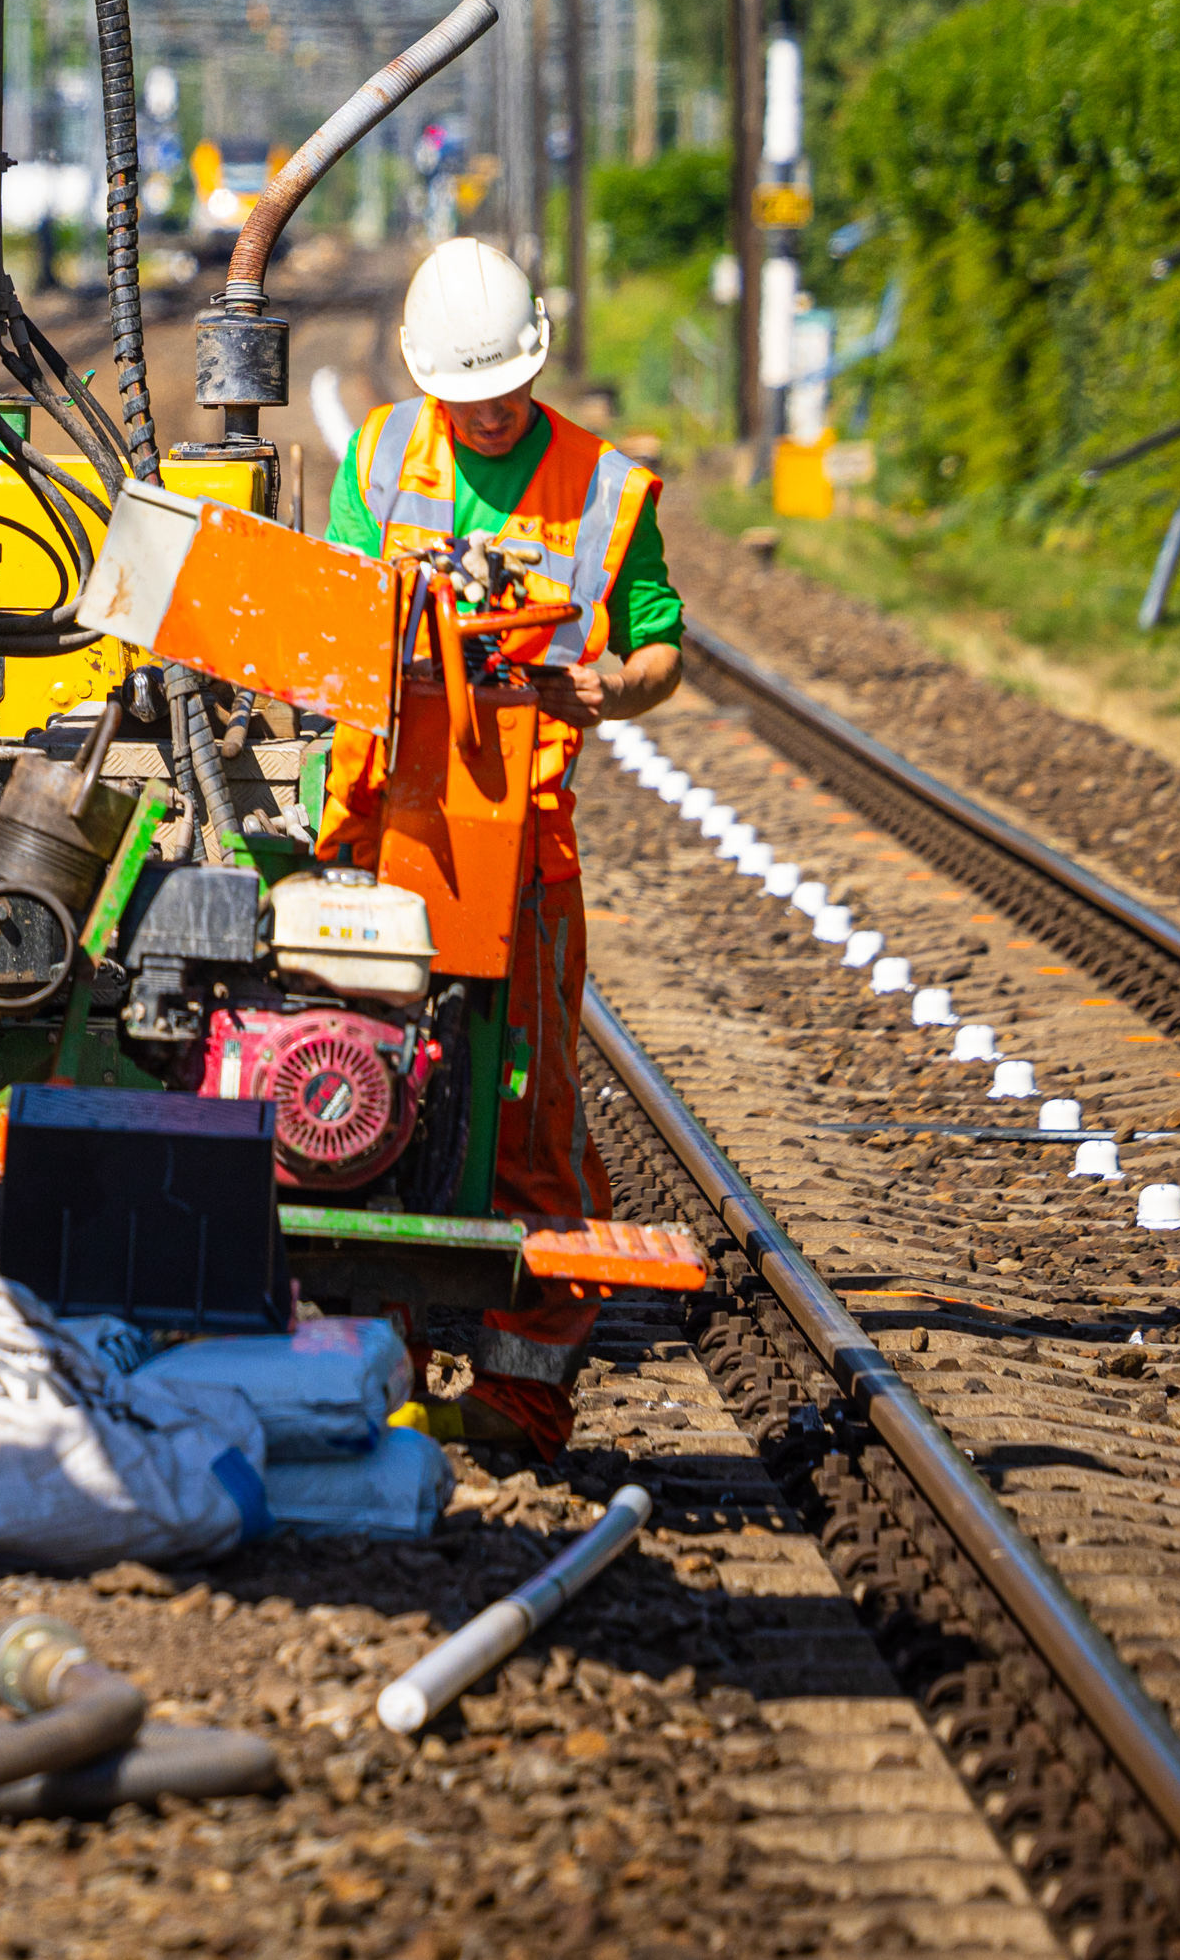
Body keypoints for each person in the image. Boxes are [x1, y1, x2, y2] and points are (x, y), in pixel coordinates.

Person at [309, 234, 684, 1458]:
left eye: (505, 392)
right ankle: (386, 1364)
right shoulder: (376, 455)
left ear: (535, 365)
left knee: (523, 1112)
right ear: (426, 382)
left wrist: (607, 688)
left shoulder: (601, 485)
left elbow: (657, 647)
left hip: (522, 843)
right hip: (382, 823)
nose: (484, 415)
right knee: (361, 1096)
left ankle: (522, 1395)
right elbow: (332, 625)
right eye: (462, 398)